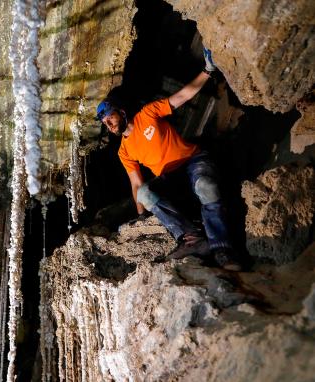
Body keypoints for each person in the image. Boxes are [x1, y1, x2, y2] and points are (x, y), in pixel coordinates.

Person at [96, 48, 241, 271]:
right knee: (144, 193)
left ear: (121, 112)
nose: (109, 124)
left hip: (192, 161)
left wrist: (207, 71)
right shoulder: (124, 151)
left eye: (110, 117)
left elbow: (182, 96)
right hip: (170, 179)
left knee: (206, 186)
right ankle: (192, 239)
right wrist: (141, 214)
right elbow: (136, 183)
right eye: (105, 122)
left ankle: (222, 248)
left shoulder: (147, 114)